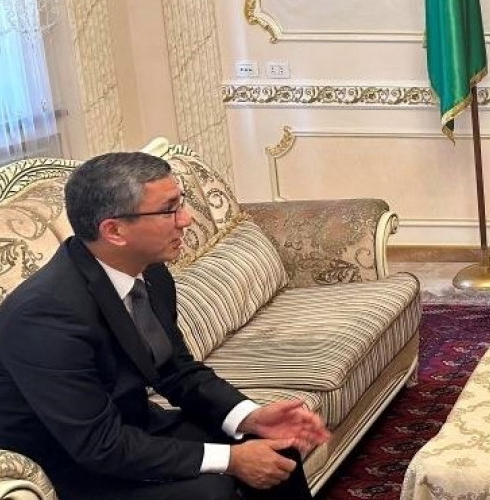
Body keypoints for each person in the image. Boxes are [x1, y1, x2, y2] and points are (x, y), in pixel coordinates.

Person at [0, 152, 330, 500]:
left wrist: (250, 417)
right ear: (114, 231)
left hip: (132, 427)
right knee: (210, 490)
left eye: (181, 203)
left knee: (276, 447)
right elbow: (98, 445)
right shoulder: (45, 316)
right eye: (169, 210)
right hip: (69, 465)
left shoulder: (150, 272)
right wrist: (231, 460)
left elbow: (176, 370)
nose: (186, 219)